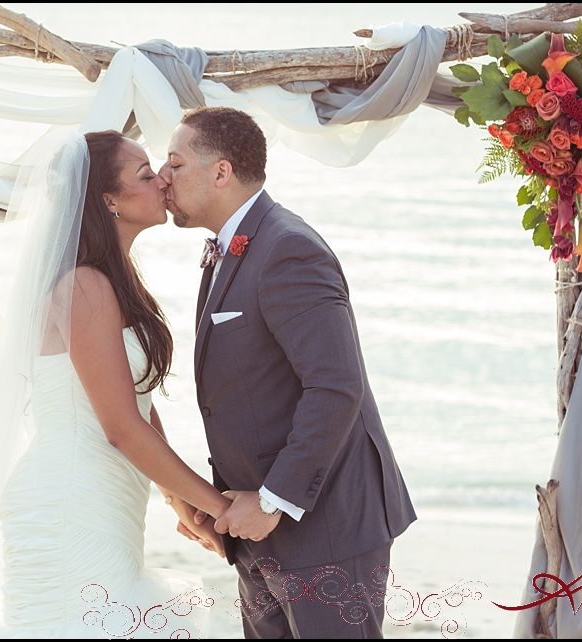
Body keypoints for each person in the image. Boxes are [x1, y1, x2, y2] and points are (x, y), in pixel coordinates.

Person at [0, 129, 225, 639]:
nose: (164, 181)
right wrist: (221, 507)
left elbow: (137, 403)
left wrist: (178, 500)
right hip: (69, 500)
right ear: (110, 201)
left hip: (107, 497)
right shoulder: (83, 285)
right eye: (146, 175)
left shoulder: (113, 279)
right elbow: (120, 427)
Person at [160, 107, 418, 639]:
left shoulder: (287, 249)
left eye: (174, 163)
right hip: (258, 528)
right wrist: (224, 503)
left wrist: (275, 499)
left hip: (325, 529)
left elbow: (335, 385)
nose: (163, 177)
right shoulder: (232, 248)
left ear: (221, 172)